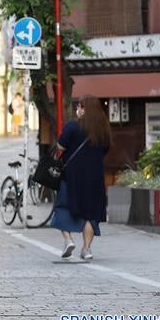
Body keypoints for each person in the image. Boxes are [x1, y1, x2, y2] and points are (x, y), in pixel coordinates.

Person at [51, 95, 112, 261]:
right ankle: (87, 249)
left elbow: (60, 146)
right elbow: (105, 150)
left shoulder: (73, 127)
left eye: (80, 106)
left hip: (72, 176)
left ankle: (68, 240)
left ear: (86, 110)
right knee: (90, 214)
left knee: (63, 207)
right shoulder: (103, 131)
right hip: (94, 178)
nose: (78, 109)